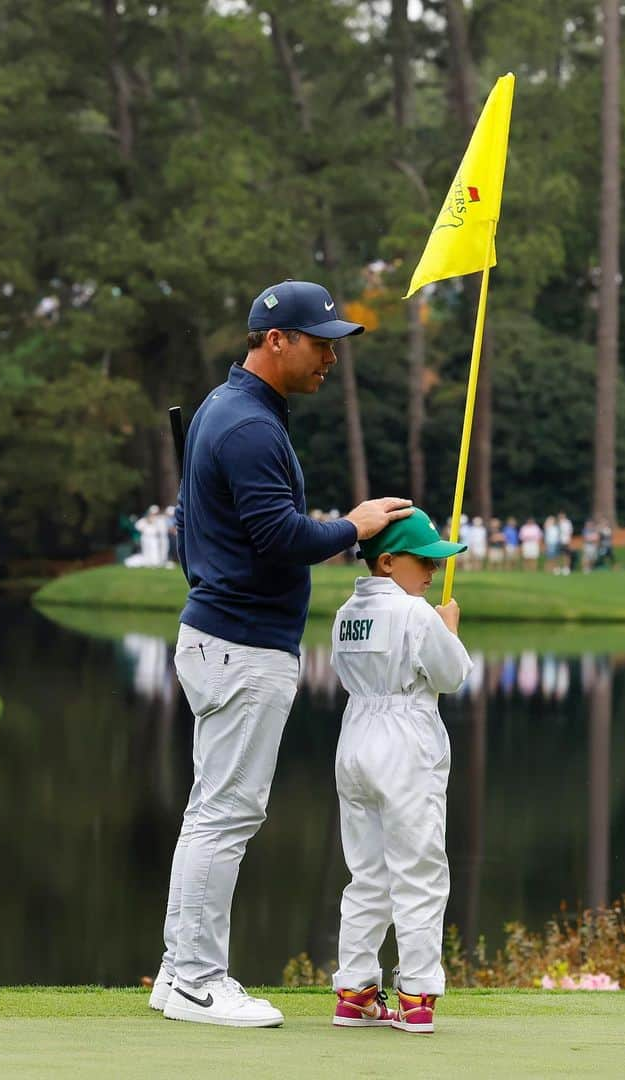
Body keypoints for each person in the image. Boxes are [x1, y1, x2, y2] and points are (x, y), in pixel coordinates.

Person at [151, 279, 413, 1028]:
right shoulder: (247, 426)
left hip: (222, 637)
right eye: (318, 342)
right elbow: (279, 537)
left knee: (212, 811)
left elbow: (192, 525)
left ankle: (177, 971)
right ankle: (200, 979)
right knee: (226, 814)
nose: (330, 356)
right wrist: (354, 528)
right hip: (241, 646)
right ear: (275, 341)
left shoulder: (228, 409)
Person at [329, 508, 472, 1035]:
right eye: (423, 562)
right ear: (387, 562)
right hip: (405, 743)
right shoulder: (415, 615)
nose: (432, 573)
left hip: (355, 739)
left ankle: (356, 992)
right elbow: (451, 675)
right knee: (420, 873)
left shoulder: (345, 612)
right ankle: (415, 994)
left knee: (367, 873)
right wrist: (448, 629)